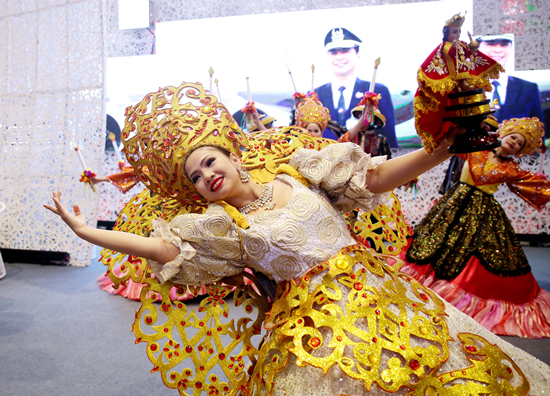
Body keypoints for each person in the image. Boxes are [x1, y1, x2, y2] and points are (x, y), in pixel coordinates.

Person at [44, 82, 550, 394]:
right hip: (312, 327)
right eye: (195, 176)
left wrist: (438, 152)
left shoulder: (299, 170)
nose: (207, 176)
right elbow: (164, 250)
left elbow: (373, 179)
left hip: (382, 296)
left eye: (210, 161)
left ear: (231, 156)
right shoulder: (221, 228)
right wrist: (90, 233)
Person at [400, 117, 550, 338]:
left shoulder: (512, 169)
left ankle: (458, 295)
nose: (514, 143)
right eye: (514, 138)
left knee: (478, 255)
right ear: (505, 134)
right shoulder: (477, 146)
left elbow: (538, 188)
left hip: (483, 211)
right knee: (435, 244)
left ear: (521, 150)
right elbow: (448, 144)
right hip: (455, 203)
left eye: (520, 144)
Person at [414, 13, 504, 153]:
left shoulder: (461, 45)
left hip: (465, 76)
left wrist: (473, 47)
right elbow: (437, 60)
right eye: (454, 32)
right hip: (453, 79)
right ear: (447, 33)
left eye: (459, 32)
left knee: (471, 91)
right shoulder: (445, 47)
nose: (457, 34)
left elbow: (471, 53)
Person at [314, 27, 397, 147]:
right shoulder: (316, 95)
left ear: (358, 54)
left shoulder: (376, 90)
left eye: (345, 51)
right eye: (334, 52)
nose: (339, 57)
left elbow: (389, 138)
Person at [477, 34, 544, 124]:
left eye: (504, 44)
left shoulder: (528, 89)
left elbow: (538, 131)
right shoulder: (465, 87)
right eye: (491, 44)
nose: (498, 50)